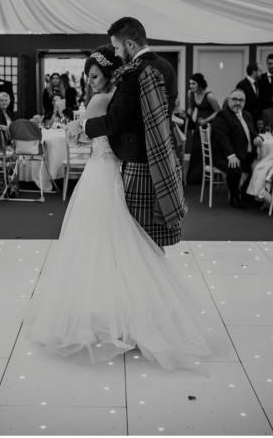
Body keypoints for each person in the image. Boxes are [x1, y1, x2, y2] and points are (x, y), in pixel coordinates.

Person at [25, 44, 223, 371]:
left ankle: (101, 309)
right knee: (115, 243)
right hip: (115, 172)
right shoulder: (118, 95)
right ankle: (124, 309)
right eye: (88, 77)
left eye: (94, 75)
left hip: (100, 174)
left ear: (106, 74)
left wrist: (76, 128)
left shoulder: (99, 101)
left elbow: (88, 137)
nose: (90, 82)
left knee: (93, 244)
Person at [68, 17, 186, 247]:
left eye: (117, 47)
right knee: (153, 239)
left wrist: (82, 126)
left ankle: (146, 281)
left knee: (137, 240)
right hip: (163, 159)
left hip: (139, 163)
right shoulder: (167, 67)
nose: (117, 52)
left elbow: (116, 121)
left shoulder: (134, 73)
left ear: (130, 44)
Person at [211, 88, 264, 209]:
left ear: (245, 102)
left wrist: (256, 137)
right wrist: (231, 156)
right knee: (235, 167)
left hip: (244, 154)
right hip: (223, 156)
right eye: (234, 99)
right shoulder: (222, 115)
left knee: (259, 165)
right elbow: (222, 138)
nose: (237, 102)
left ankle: (245, 193)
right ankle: (234, 198)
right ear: (229, 100)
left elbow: (252, 131)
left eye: (241, 100)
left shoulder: (247, 115)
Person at [184, 73, 220, 186]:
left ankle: (209, 176)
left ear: (199, 84)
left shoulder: (209, 96)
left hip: (210, 125)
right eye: (190, 83)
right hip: (198, 125)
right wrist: (187, 120)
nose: (190, 86)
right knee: (196, 149)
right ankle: (194, 179)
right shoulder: (190, 93)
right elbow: (191, 108)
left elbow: (219, 111)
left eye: (193, 83)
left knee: (207, 150)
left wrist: (206, 121)